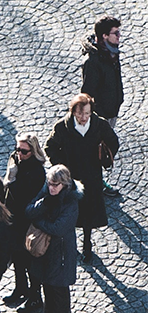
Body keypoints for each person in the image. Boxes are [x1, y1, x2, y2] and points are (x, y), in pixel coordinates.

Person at [46, 93, 119, 263]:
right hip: (70, 178)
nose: (83, 117)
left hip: (91, 177)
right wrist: (62, 167)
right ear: (73, 112)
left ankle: (87, 246)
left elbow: (113, 141)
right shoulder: (62, 127)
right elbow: (50, 147)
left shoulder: (99, 124)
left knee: (88, 213)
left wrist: (104, 159)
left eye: (86, 113)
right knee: (68, 211)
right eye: (80, 114)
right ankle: (70, 245)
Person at [26, 165, 82, 313]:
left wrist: (39, 222)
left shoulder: (71, 202)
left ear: (64, 184)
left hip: (62, 251)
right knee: (47, 285)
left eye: (55, 185)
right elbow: (29, 211)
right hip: (47, 250)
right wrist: (42, 206)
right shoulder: (47, 194)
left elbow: (58, 228)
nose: (51, 188)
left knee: (59, 288)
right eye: (50, 184)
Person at [3, 134, 49, 313]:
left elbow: (23, 197)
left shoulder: (37, 171)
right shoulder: (16, 160)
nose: (19, 154)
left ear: (33, 151)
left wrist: (12, 180)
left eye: (24, 151)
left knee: (30, 261)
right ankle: (20, 287)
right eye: (17, 149)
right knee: (17, 258)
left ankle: (35, 297)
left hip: (28, 222)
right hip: (13, 220)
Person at [80, 16, 124, 197]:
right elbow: (87, 94)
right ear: (104, 36)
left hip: (111, 111)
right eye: (116, 33)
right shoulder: (93, 62)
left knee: (102, 150)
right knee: (96, 152)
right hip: (100, 116)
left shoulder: (111, 53)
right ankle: (95, 184)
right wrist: (96, 119)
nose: (119, 36)